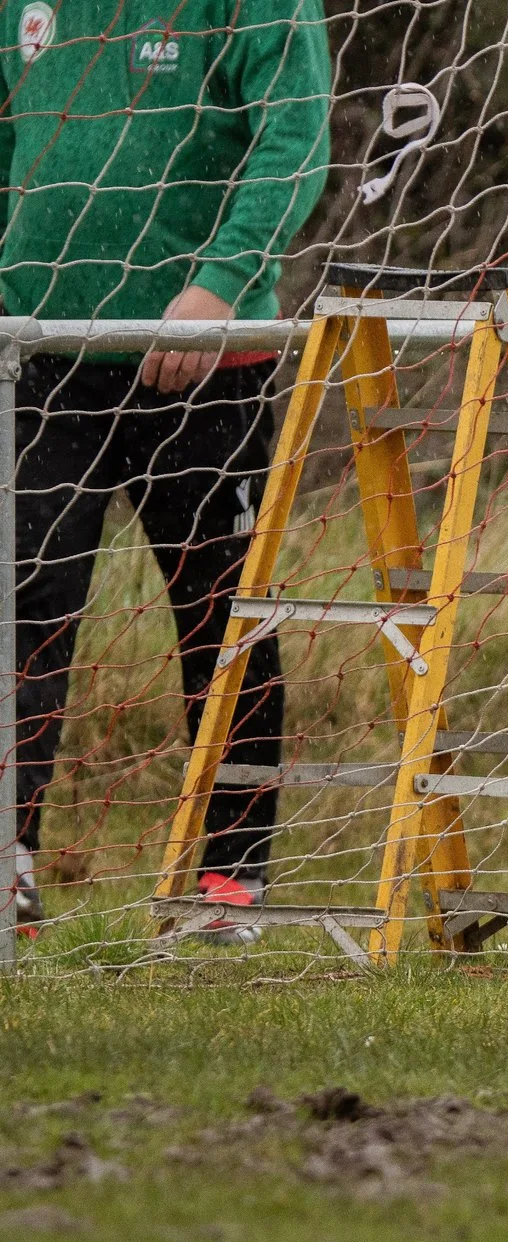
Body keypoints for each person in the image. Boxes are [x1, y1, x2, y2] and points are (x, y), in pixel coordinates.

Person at [1, 1, 333, 938]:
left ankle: (229, 882)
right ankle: (9, 860)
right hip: (40, 354)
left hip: (204, 364)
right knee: (22, 608)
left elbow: (296, 135)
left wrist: (220, 283)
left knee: (220, 618)